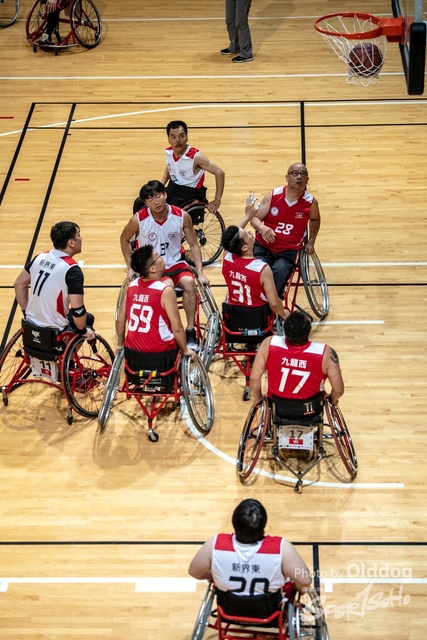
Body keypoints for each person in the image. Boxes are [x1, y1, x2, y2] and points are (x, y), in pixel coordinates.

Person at [120, 180, 209, 351]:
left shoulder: (182, 216)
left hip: (176, 263)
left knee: (189, 283)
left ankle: (190, 331)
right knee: (166, 287)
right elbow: (124, 240)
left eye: (158, 195)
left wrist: (200, 272)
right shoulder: (138, 220)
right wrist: (130, 266)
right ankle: (170, 331)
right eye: (150, 199)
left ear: (165, 194)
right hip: (153, 269)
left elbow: (194, 244)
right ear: (145, 202)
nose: (156, 201)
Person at [188, 499, 311, 608]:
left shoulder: (215, 544)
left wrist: (213, 575)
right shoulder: (281, 547)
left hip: (230, 609)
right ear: (263, 524)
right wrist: (298, 589)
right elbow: (305, 581)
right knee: (289, 583)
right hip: (268, 612)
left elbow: (194, 572)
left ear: (234, 522)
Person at [249, 163, 321, 298]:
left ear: (307, 180)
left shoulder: (311, 202)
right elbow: (254, 218)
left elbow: (315, 219)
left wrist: (311, 241)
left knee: (280, 270)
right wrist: (263, 228)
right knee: (258, 270)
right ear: (287, 177)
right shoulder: (273, 195)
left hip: (287, 251)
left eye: (303, 174)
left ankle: (270, 301)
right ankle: (259, 300)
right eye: (295, 173)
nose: (299, 177)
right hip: (264, 246)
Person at [14, 221, 95, 339]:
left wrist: (27, 313)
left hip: (31, 324)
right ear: (71, 243)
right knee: (86, 321)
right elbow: (78, 310)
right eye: (78, 235)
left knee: (86, 318)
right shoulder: (72, 269)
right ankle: (69, 351)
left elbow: (19, 284)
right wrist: (83, 331)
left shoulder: (40, 257)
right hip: (54, 330)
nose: (81, 239)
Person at [250, 311, 344, 410]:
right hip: (311, 409)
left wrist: (258, 397)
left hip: (277, 407)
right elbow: (338, 390)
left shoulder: (269, 343)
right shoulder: (325, 353)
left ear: (285, 330)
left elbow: (254, 378)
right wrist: (332, 399)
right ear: (309, 332)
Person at [115, 245, 194, 360]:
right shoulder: (165, 291)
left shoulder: (131, 287)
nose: (162, 258)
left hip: (133, 353)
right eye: (158, 256)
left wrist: (121, 345)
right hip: (161, 353)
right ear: (152, 268)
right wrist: (185, 350)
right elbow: (177, 328)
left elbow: (120, 320)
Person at [221, 196, 288, 321]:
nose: (249, 231)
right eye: (246, 234)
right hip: (258, 319)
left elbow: (229, 242)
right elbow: (274, 304)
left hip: (234, 318)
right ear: (244, 247)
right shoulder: (262, 268)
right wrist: (284, 314)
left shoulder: (227, 258)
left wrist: (247, 216)